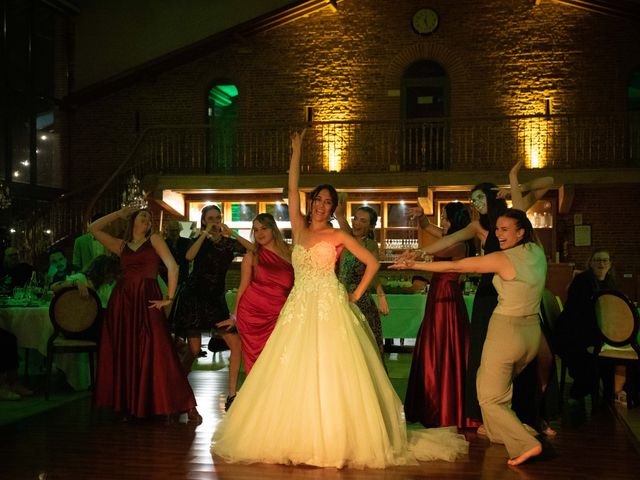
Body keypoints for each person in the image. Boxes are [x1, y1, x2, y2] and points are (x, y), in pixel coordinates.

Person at [211, 131, 468, 468]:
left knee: (331, 369)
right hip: (299, 306)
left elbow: (373, 262)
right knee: (291, 368)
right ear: (311, 202)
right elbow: (290, 187)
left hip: (329, 303)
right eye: (317, 199)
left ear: (333, 208)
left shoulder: (337, 235)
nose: (321, 205)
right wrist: (297, 151)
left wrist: (355, 294)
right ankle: (294, 431)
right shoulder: (300, 229)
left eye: (327, 202)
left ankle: (333, 436)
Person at [403, 160, 553, 429]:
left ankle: (531, 416)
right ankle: (482, 416)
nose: (476, 204)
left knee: (531, 359)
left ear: (493, 196)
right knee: (484, 358)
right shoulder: (477, 227)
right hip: (489, 291)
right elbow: (448, 241)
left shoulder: (515, 215)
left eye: (480, 198)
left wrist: (515, 184)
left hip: (519, 292)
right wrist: (420, 253)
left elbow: (550, 181)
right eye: (473, 200)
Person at [392, 209, 547, 465]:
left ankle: (526, 444)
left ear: (521, 232)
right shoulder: (537, 252)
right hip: (531, 334)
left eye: (505, 229)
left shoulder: (502, 259)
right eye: (497, 229)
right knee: (503, 388)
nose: (498, 234)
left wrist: (415, 264)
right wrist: (514, 180)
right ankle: (503, 432)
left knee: (487, 396)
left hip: (507, 332)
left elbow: (456, 266)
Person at [89, 208, 200, 421]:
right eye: (143, 216)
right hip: (123, 301)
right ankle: (130, 405)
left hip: (148, 298)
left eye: (149, 218)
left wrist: (169, 297)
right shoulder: (121, 245)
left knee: (161, 349)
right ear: (133, 221)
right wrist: (119, 213)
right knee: (126, 349)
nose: (148, 220)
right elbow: (93, 228)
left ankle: (186, 405)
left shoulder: (155, 240)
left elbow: (173, 267)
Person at [171, 205, 252, 408]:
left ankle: (232, 395)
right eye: (210, 218)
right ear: (204, 220)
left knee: (235, 344)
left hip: (215, 301)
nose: (215, 221)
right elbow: (188, 257)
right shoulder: (198, 241)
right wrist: (204, 234)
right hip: (194, 298)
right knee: (194, 350)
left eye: (218, 217)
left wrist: (231, 232)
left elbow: (253, 249)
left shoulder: (228, 244)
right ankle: (176, 390)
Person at [404, 202, 475, 429]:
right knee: (433, 342)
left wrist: (416, 257)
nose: (442, 221)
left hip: (447, 296)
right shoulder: (448, 235)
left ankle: (446, 408)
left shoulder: (460, 244)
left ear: (456, 220)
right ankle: (430, 402)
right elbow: (428, 227)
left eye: (445, 217)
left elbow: (437, 251)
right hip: (437, 293)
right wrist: (422, 217)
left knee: (444, 343)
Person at [217, 213, 293, 379]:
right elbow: (243, 287)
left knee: (280, 361)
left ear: (273, 229)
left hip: (280, 316)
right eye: (256, 229)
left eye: (264, 228)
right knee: (258, 364)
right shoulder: (252, 256)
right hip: (251, 316)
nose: (259, 233)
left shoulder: (291, 253)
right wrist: (235, 316)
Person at [555, 249, 617, 403]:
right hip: (571, 334)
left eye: (604, 260)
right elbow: (579, 314)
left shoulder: (609, 282)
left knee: (609, 354)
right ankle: (585, 392)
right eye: (597, 260)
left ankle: (609, 395)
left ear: (610, 264)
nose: (601, 264)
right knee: (596, 356)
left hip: (592, 332)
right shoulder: (582, 281)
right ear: (590, 263)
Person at [335, 197, 389, 357]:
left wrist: (381, 295)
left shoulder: (371, 245)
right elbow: (339, 216)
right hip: (340, 296)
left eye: (363, 221)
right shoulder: (346, 236)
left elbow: (373, 272)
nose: (357, 223)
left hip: (360, 299)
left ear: (371, 226)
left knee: (364, 346)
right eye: (355, 219)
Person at [51, 254, 120, 308]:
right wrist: (76, 283)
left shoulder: (105, 288)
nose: (112, 279)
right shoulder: (81, 278)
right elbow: (54, 287)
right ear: (102, 273)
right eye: (111, 275)